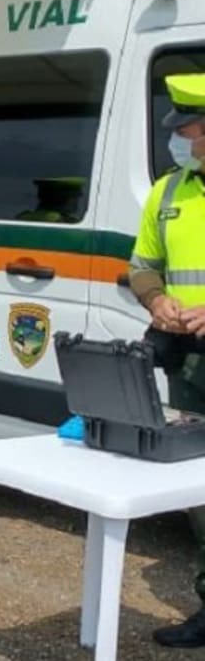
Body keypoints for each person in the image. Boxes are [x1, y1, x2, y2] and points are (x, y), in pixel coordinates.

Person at [130, 73, 205, 648]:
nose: (180, 137)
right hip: (190, 365)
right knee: (201, 493)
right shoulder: (170, 191)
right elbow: (142, 263)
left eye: (188, 127)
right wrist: (156, 300)